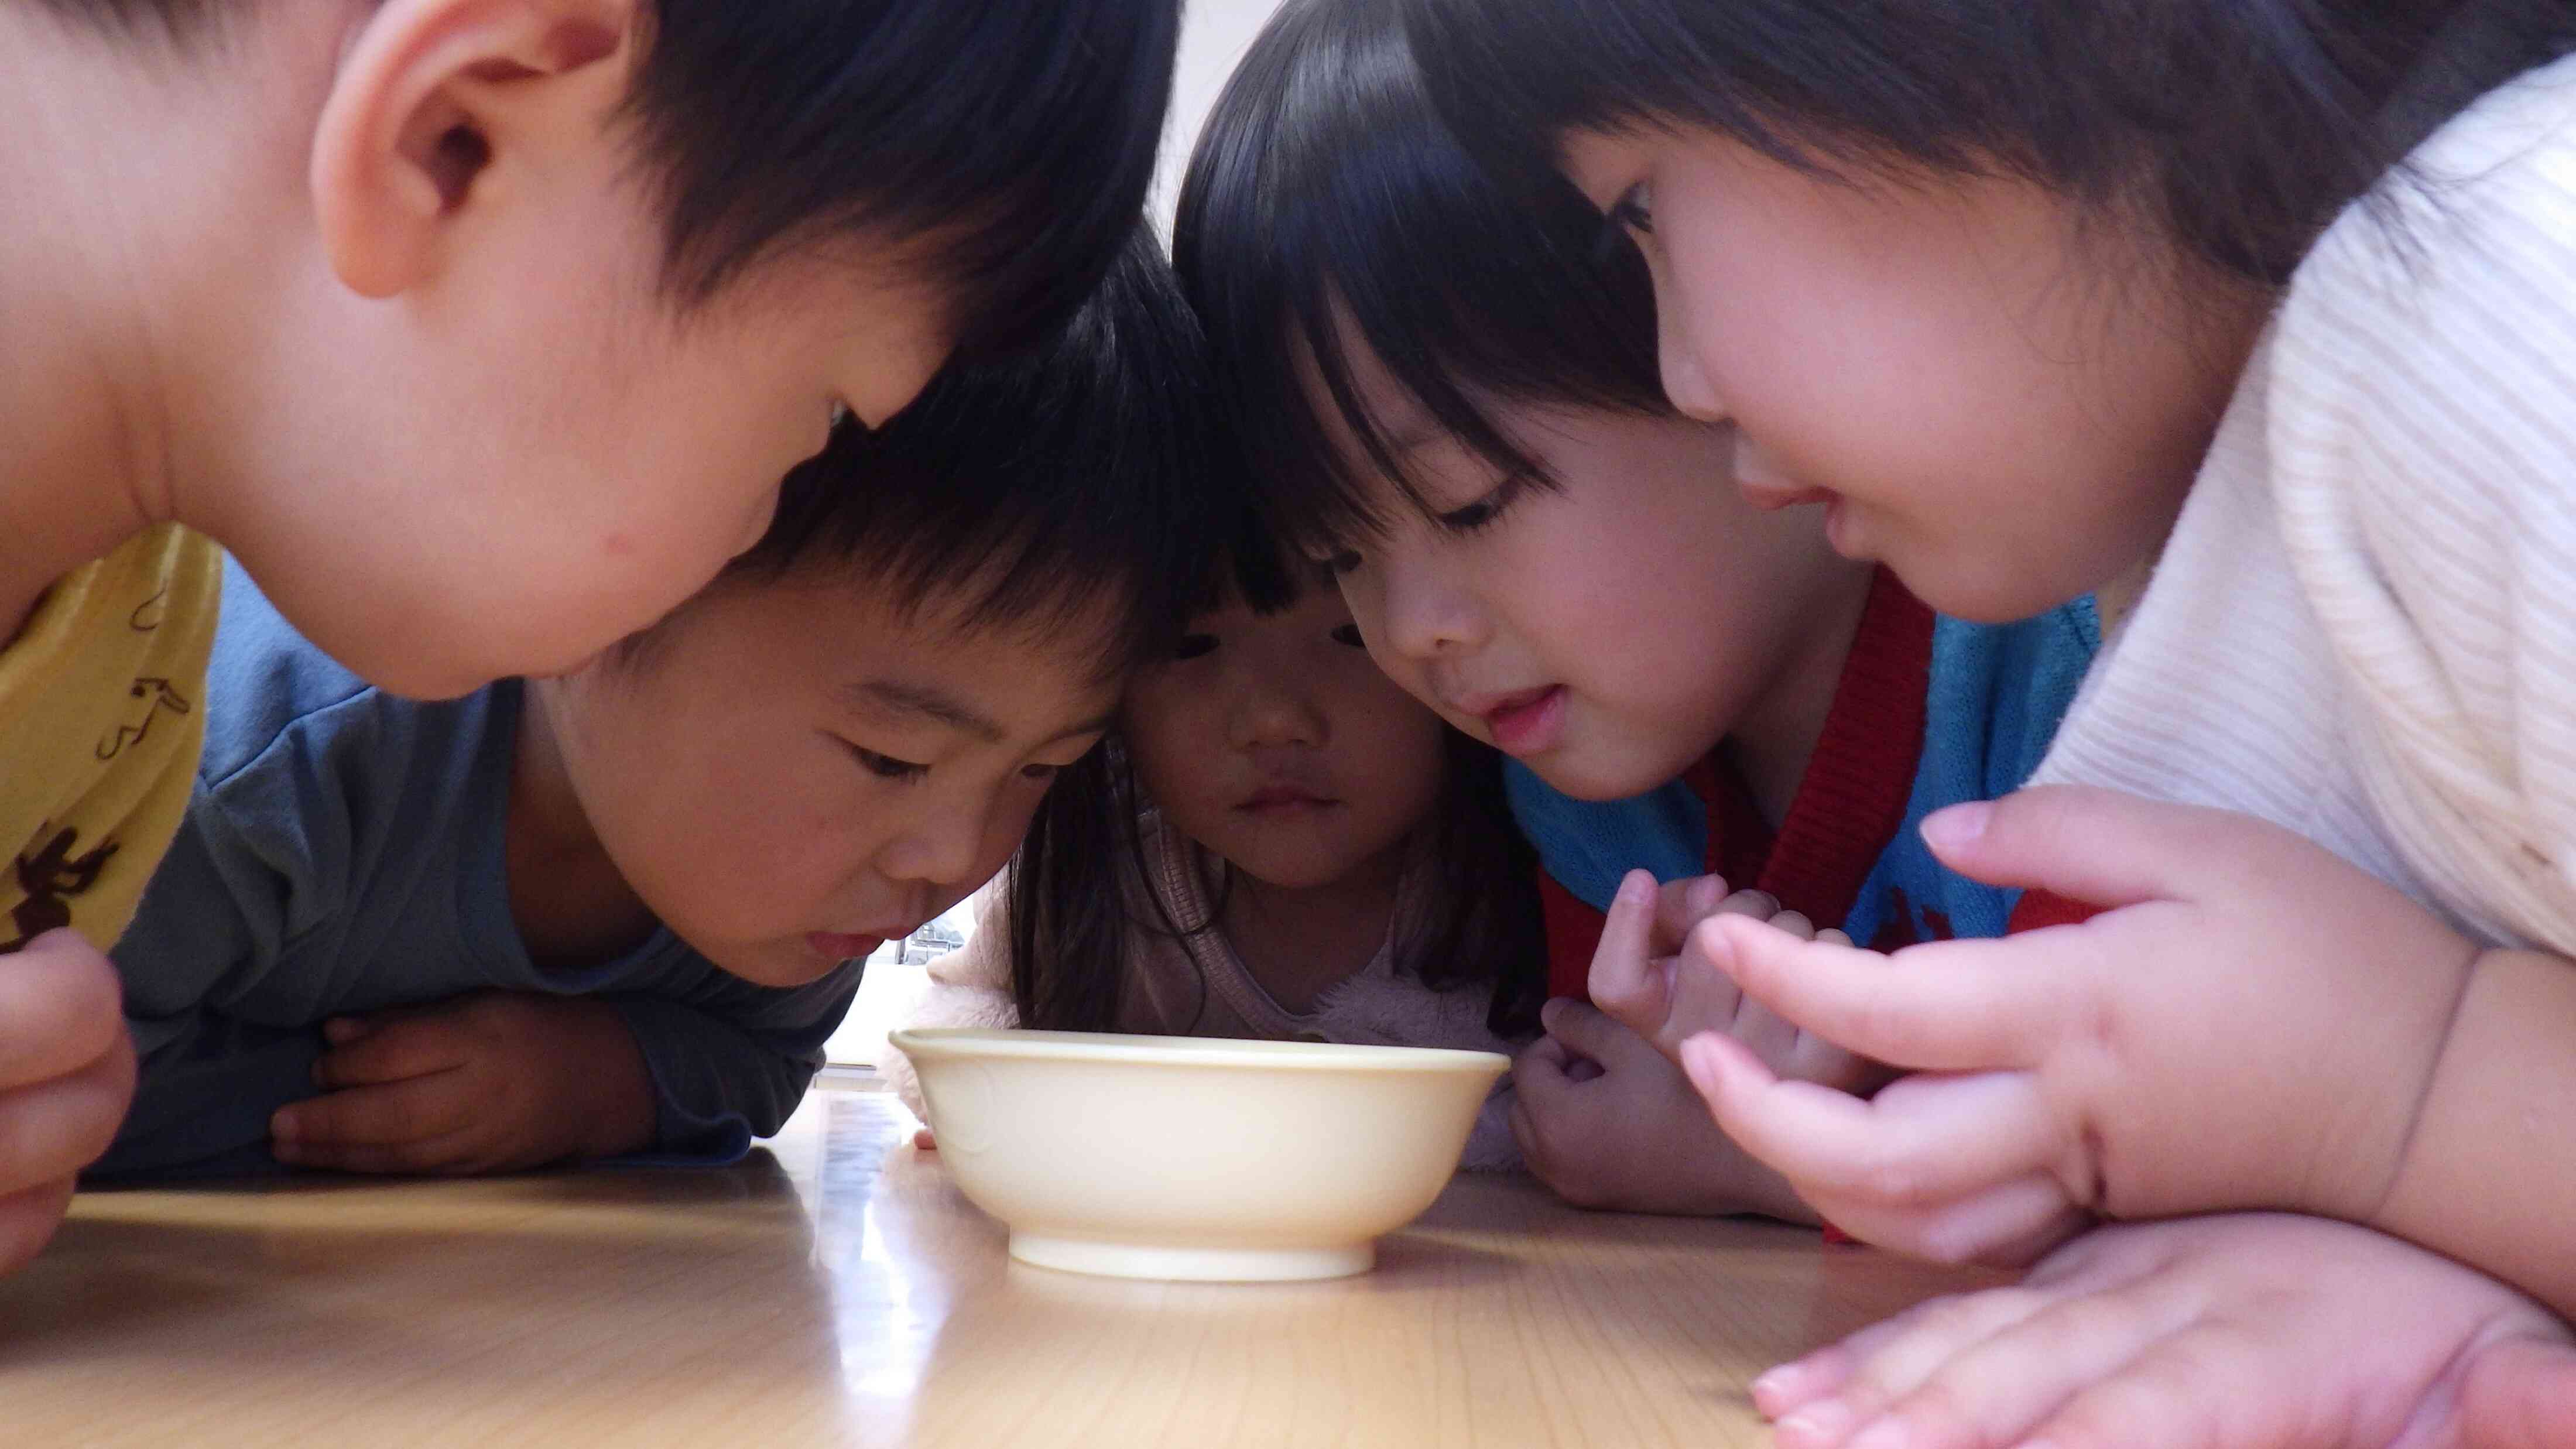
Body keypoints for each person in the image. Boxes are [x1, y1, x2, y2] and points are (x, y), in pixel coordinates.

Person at [1403, 0, 2576, 1440]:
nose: (1682, 379)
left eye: (1641, 209)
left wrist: (2403, 1095)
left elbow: (2394, 1100)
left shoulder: (2503, 301)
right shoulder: (2198, 568)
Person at [1, 0, 1177, 1268]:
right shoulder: (239, 733)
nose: (956, 855)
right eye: (825, 413)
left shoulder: (132, 633)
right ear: (459, 137)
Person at [1168, 0, 2092, 1219]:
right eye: (1340, 552)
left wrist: (1772, 1167)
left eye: (1471, 502)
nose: (1409, 629)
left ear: (1717, 342)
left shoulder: (2067, 676)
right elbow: (1614, 1106)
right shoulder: (1584, 778)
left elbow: (2177, 1150)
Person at [94, 229, 1215, 1182]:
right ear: (599, 577)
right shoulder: (259, 762)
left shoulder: (784, 894)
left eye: (1042, 766)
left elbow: (767, 1063)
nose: (953, 856)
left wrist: (598, 1081)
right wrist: (335, 1104)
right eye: (892, 758)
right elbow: (72, 1092)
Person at [889, 553, 1549, 1171]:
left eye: (1350, 634)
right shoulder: (1103, 878)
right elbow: (946, 1021)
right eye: (1191, 645)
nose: (1272, 718)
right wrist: (999, 1106)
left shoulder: (1526, 881)